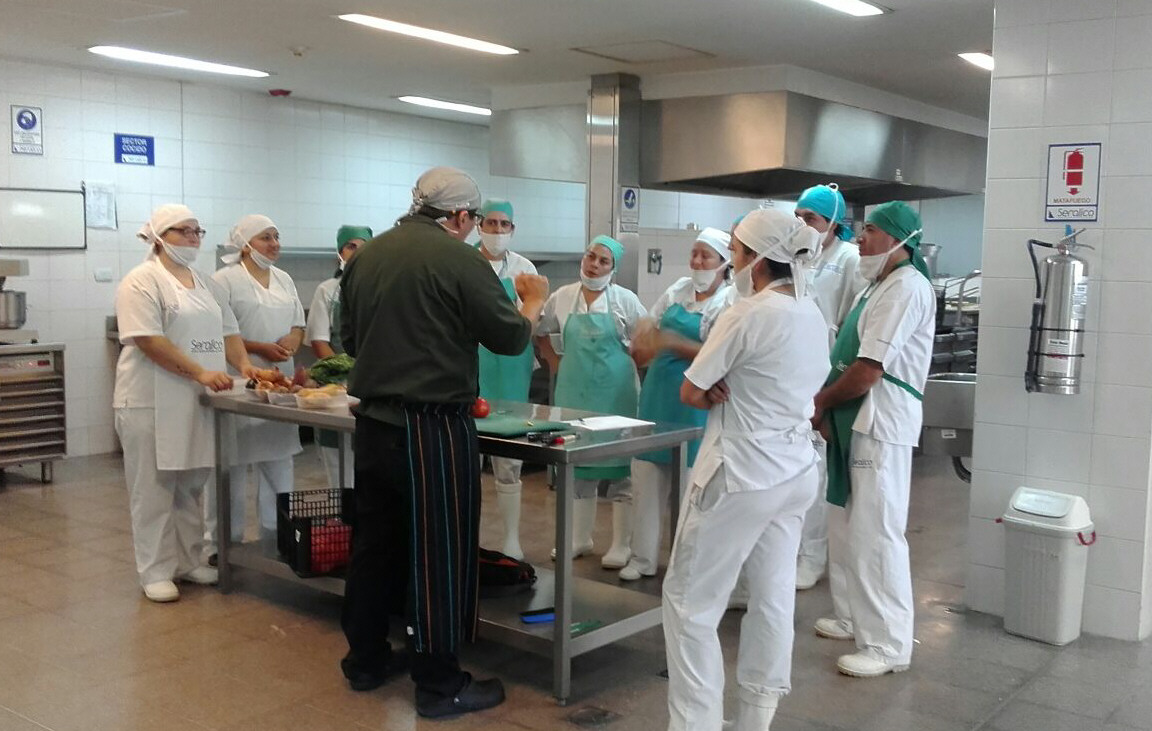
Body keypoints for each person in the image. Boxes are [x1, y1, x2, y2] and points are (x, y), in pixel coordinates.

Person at [338, 167, 550, 718]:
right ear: (459, 216)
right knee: (439, 552)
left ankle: (365, 660)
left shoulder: (367, 257)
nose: (478, 229)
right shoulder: (460, 260)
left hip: (375, 424)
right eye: (476, 220)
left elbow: (349, 340)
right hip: (430, 427)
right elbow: (508, 337)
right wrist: (531, 302)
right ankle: (438, 684)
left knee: (375, 546)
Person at [662, 209, 828, 731]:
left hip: (741, 474)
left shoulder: (746, 314)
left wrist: (709, 384)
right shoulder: (810, 311)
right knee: (773, 598)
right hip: (794, 472)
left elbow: (692, 391)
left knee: (690, 605)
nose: (730, 262)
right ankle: (756, 720)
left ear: (756, 259)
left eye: (734, 252)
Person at [811, 201, 935, 679]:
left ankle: (887, 644)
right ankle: (852, 616)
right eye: (861, 230)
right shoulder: (877, 285)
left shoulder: (906, 287)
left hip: (880, 421)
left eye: (871, 231)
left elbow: (867, 370)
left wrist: (820, 402)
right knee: (846, 524)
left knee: (876, 532)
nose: (860, 238)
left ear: (899, 239)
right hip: (855, 418)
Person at [114, 204, 255, 603]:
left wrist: (246, 366)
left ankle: (188, 561)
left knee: (191, 484)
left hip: (196, 399)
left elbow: (229, 332)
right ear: (160, 237)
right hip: (149, 399)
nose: (194, 238)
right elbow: (149, 340)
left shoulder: (206, 283)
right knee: (154, 489)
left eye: (198, 231)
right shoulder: (141, 281)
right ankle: (155, 571)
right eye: (185, 230)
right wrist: (200, 372)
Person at [621, 227, 736, 582]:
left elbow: (722, 354)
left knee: (690, 487)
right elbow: (648, 327)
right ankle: (642, 558)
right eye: (694, 254)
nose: (697, 262)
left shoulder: (729, 300)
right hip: (658, 394)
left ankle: (684, 564)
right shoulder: (678, 290)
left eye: (706, 256)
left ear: (725, 263)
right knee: (646, 479)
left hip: (695, 400)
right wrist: (646, 333)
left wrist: (671, 342)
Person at [535, 235, 647, 568]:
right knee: (578, 468)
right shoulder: (562, 296)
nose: (594, 264)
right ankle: (579, 539)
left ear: (613, 268)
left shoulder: (625, 301)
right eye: (590, 256)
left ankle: (621, 545)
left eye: (603, 261)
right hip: (574, 394)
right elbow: (540, 330)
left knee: (621, 470)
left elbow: (646, 340)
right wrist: (554, 362)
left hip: (616, 397)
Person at [206, 215, 306, 551]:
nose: (275, 244)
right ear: (246, 245)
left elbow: (298, 324)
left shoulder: (284, 279)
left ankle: (278, 537)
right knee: (231, 466)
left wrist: (292, 342)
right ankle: (223, 543)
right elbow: (219, 331)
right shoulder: (224, 280)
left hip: (278, 384)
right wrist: (259, 348)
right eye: (266, 237)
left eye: (277, 236)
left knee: (279, 461)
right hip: (238, 380)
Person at [793, 183, 865, 591]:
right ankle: (794, 551)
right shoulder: (795, 255)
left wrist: (836, 378)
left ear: (834, 223)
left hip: (826, 372)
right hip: (795, 370)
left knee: (818, 471)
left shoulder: (849, 259)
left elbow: (854, 321)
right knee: (795, 469)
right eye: (798, 216)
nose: (803, 224)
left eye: (812, 218)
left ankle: (812, 557)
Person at [474, 199, 538, 560]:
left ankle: (511, 540)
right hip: (473, 365)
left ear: (513, 229)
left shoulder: (524, 269)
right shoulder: (464, 262)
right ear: (479, 224)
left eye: (504, 225)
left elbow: (532, 318)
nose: (498, 231)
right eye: (492, 223)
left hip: (512, 368)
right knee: (468, 458)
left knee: (510, 459)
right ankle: (470, 537)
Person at [306, 224, 372, 489]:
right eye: (350, 246)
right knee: (340, 471)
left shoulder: (380, 287)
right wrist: (344, 376)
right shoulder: (327, 290)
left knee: (371, 469)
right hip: (336, 388)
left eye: (364, 247)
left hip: (373, 387)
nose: (357, 253)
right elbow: (319, 341)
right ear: (339, 252)